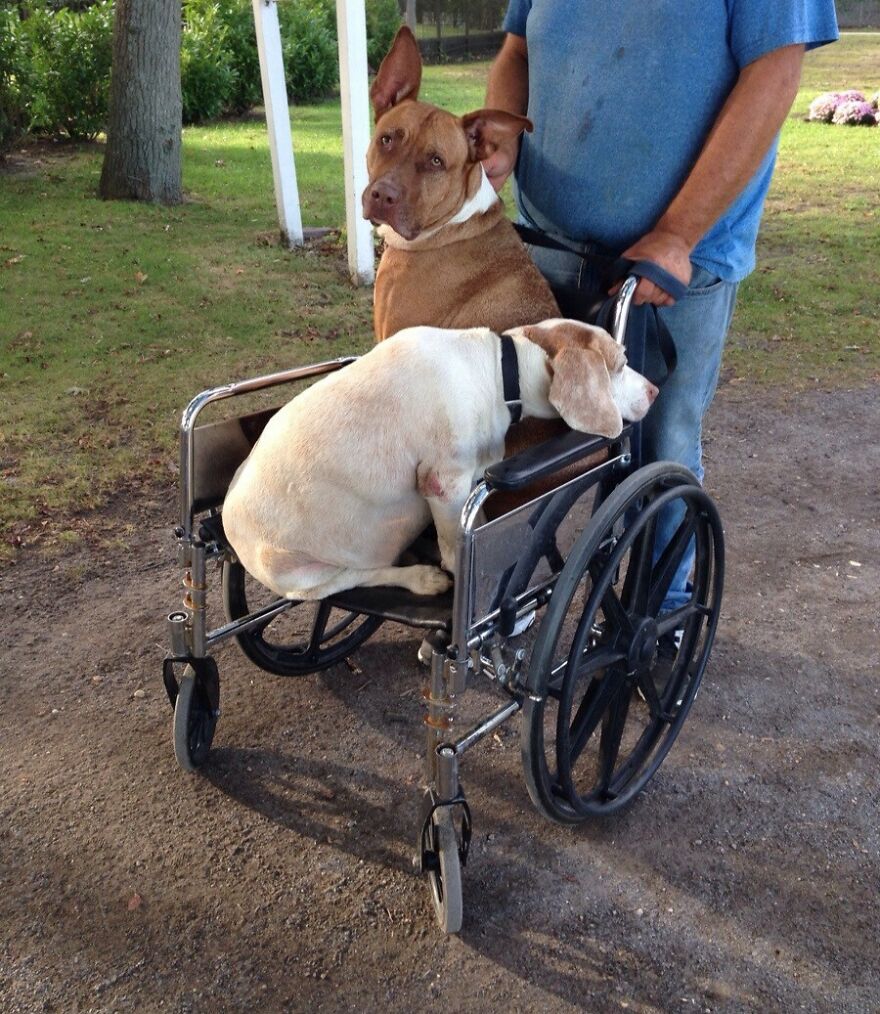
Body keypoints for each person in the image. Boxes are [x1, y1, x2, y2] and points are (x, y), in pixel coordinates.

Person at [483, 1, 838, 617]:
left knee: (657, 444)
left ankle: (662, 610)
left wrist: (678, 233)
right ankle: (506, 595)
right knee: (525, 433)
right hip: (546, 243)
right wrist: (505, 140)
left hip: (671, 268)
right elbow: (518, 50)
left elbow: (775, 73)